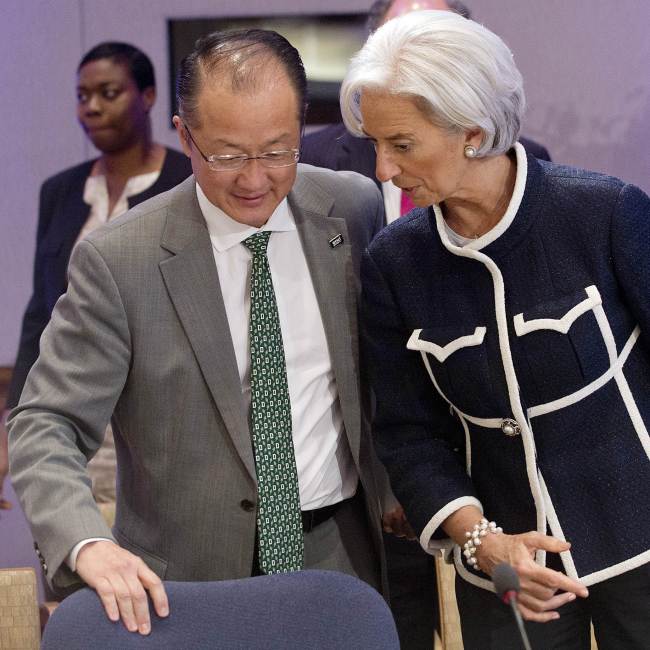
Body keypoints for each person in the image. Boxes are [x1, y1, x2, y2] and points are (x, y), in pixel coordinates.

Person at [9, 28, 386, 636]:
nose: (255, 179)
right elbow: (45, 421)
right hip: (179, 585)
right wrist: (85, 543)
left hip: (340, 563)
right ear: (184, 135)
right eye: (228, 155)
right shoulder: (120, 258)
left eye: (278, 150)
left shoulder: (351, 208)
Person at [341, 10, 650, 650]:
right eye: (375, 144)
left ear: (474, 132)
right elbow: (408, 431)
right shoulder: (394, 263)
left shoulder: (604, 213)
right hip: (507, 570)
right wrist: (484, 544)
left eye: (402, 144)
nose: (383, 171)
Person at [0, 42, 191, 512]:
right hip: (72, 416)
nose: (92, 108)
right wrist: (11, 428)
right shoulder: (62, 191)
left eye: (108, 92)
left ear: (147, 96)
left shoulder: (188, 180)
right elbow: (39, 316)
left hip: (166, 425)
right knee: (74, 566)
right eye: (82, 96)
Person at [301, 0, 551, 225]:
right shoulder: (395, 249)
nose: (384, 172)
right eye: (396, 44)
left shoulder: (547, 181)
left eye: (432, 52)